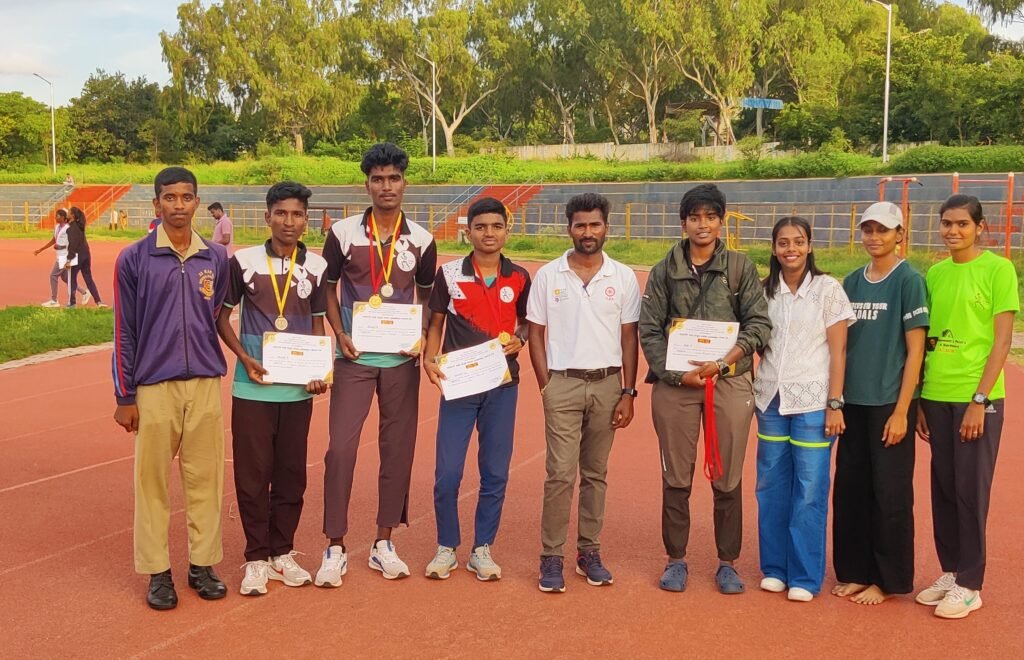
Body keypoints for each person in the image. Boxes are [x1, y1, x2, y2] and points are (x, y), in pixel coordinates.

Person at [639, 183, 771, 595]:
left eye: (711, 217)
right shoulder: (664, 270)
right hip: (676, 384)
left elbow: (759, 324)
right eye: (695, 217)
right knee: (676, 476)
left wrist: (725, 361)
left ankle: (727, 562)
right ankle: (675, 559)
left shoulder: (740, 268)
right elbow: (649, 330)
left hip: (728, 381)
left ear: (721, 222)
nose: (703, 225)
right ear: (683, 223)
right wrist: (676, 375)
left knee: (727, 477)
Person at [317, 143, 437, 585]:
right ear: (366, 184)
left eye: (394, 178)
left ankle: (383, 541)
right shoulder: (343, 233)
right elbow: (327, 287)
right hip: (355, 356)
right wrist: (339, 332)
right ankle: (334, 545)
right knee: (341, 449)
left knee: (398, 449)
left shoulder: (421, 239)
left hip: (401, 360)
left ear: (405, 183)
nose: (386, 186)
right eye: (378, 179)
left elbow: (427, 296)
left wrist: (421, 334)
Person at [112, 166, 231, 610]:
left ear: (197, 201)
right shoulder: (134, 259)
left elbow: (214, 315)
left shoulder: (215, 258)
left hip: (204, 383)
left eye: (186, 197)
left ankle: (202, 564)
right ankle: (157, 571)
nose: (178, 205)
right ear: (156, 203)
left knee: (206, 480)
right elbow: (124, 331)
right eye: (169, 197)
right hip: (154, 386)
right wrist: (125, 396)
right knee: (152, 484)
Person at [216, 181, 329, 596]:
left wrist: (319, 370)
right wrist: (243, 359)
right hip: (253, 388)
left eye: (297, 214)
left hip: (297, 391)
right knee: (252, 476)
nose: (289, 221)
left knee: (291, 476)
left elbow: (317, 322)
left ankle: (282, 552)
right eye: (281, 213)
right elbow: (222, 317)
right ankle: (256, 558)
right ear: (268, 217)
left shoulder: (316, 266)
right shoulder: (242, 262)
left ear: (306, 221)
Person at [527, 192, 640, 593]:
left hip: (608, 384)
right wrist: (546, 384)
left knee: (595, 473)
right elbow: (535, 334)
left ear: (606, 227)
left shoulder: (623, 277)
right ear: (569, 229)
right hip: (563, 383)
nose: (587, 232)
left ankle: (589, 551)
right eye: (580, 225)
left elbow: (629, 337)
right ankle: (551, 555)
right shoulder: (549, 275)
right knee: (560, 473)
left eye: (595, 224)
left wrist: (628, 391)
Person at [915, 194, 1018, 620]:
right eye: (947, 223)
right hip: (936, 395)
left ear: (980, 227)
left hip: (977, 397)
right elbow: (927, 340)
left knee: (970, 491)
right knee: (943, 488)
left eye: (962, 224)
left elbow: (1002, 340)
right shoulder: (935, 273)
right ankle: (952, 571)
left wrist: (980, 399)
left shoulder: (998, 269)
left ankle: (972, 584)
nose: (953, 231)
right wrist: (921, 399)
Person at [422, 196, 532, 581]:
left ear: (507, 231)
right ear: (467, 231)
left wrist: (520, 338)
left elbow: (526, 323)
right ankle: (446, 547)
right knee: (447, 474)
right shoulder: (449, 274)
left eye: (496, 226)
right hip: (460, 384)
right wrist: (429, 358)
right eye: (480, 227)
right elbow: (435, 322)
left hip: (502, 385)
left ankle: (482, 548)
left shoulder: (519, 277)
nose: (489, 233)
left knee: (495, 472)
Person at [753, 217, 855, 602]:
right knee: (771, 485)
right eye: (783, 242)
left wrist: (835, 403)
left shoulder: (828, 289)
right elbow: (754, 340)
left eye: (798, 241)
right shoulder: (764, 292)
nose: (790, 249)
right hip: (771, 399)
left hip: (814, 401)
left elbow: (839, 351)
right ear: (774, 248)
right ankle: (774, 569)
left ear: (810, 245)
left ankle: (804, 575)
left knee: (810, 487)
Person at [832, 202, 929, 606]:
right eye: (868, 230)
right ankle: (855, 571)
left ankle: (888, 580)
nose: (874, 237)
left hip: (889, 402)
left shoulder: (909, 280)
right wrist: (836, 399)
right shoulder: (852, 281)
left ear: (899, 234)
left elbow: (916, 351)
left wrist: (903, 410)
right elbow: (840, 344)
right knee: (851, 490)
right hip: (853, 402)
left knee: (890, 494)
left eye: (883, 230)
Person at [34, 208, 88, 307]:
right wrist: (41, 249)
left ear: (63, 217)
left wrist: (61, 247)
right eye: (55, 215)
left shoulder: (68, 228)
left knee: (53, 275)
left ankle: (54, 300)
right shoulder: (57, 227)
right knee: (65, 278)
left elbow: (72, 243)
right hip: (60, 255)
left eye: (58, 216)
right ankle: (84, 292)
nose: (55, 217)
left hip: (66, 256)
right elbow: (54, 240)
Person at [65, 206, 106, 308]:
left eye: (68, 212)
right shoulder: (80, 226)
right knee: (88, 278)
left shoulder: (71, 229)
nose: (67, 214)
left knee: (72, 278)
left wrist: (69, 259)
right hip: (86, 254)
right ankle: (99, 301)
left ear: (72, 215)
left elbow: (73, 245)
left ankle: (72, 303)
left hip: (77, 256)